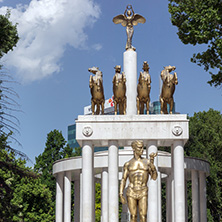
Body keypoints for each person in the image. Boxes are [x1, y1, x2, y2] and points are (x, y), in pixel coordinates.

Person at [119, 140, 157, 222]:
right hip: (131, 191)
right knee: (133, 216)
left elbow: (154, 177)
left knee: (143, 216)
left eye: (143, 147)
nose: (142, 150)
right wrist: (121, 193)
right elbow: (123, 179)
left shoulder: (147, 162)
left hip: (143, 191)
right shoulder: (128, 164)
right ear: (134, 149)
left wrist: (153, 166)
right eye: (140, 148)